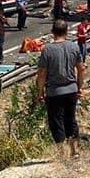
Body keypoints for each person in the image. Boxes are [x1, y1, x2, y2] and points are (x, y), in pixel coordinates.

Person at [37, 19, 84, 158]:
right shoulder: (74, 47)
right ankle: (75, 151)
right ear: (66, 31)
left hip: (54, 92)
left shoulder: (48, 49)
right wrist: (79, 86)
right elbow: (81, 69)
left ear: (52, 32)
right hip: (71, 90)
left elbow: (42, 74)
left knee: (56, 122)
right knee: (71, 119)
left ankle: (62, 154)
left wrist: (40, 92)